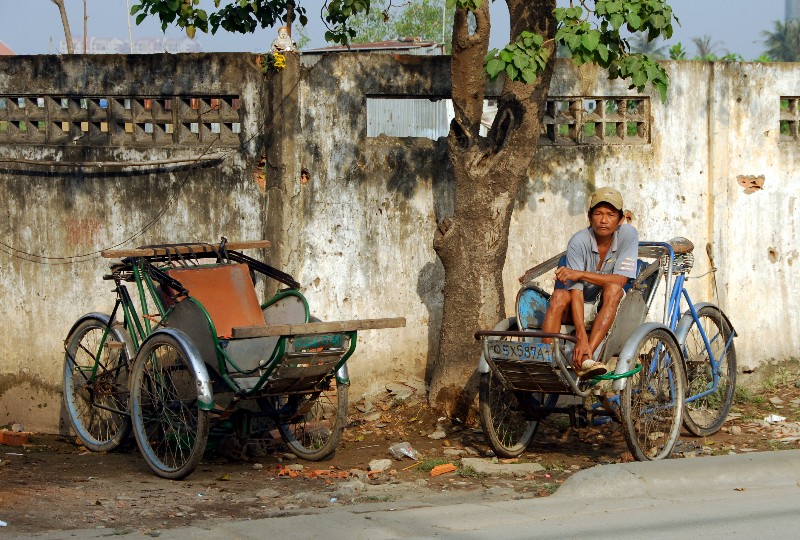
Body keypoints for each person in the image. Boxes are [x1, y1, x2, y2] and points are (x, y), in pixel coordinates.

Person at [540, 187, 638, 378]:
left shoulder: (628, 235)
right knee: (559, 295)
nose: (603, 220)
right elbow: (576, 292)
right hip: (576, 306)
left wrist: (580, 274)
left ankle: (587, 358)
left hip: (605, 307)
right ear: (589, 216)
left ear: (620, 220)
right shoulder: (578, 241)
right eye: (598, 214)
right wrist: (580, 338)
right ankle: (547, 363)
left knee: (614, 289)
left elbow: (620, 279)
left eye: (610, 215)